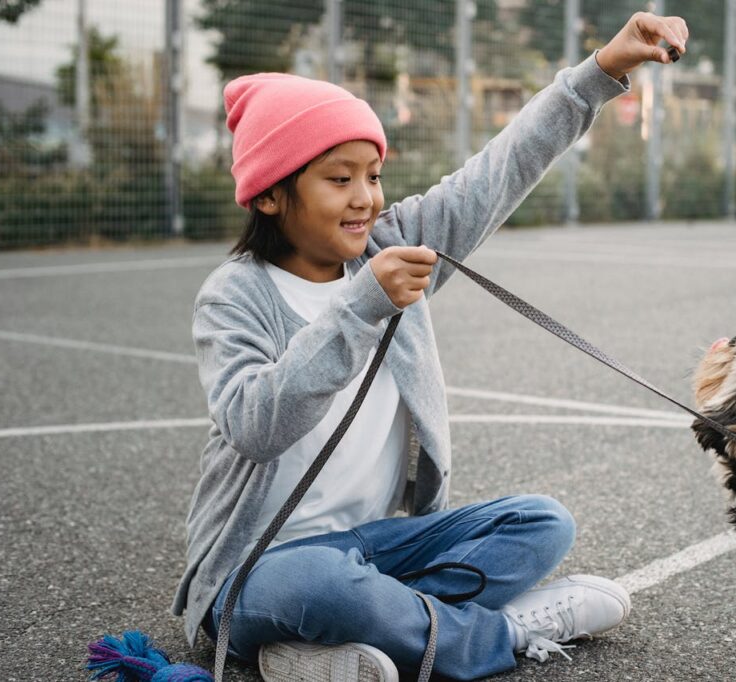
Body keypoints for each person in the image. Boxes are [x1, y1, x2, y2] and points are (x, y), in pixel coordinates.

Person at [172, 11, 689, 682]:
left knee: (543, 523)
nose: (365, 199)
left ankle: (333, 651)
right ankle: (495, 633)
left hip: (376, 550)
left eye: (374, 175)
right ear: (271, 194)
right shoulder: (233, 295)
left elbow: (498, 172)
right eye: (339, 179)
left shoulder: (390, 247)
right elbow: (256, 425)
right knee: (321, 585)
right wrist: (362, 308)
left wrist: (603, 70)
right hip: (256, 571)